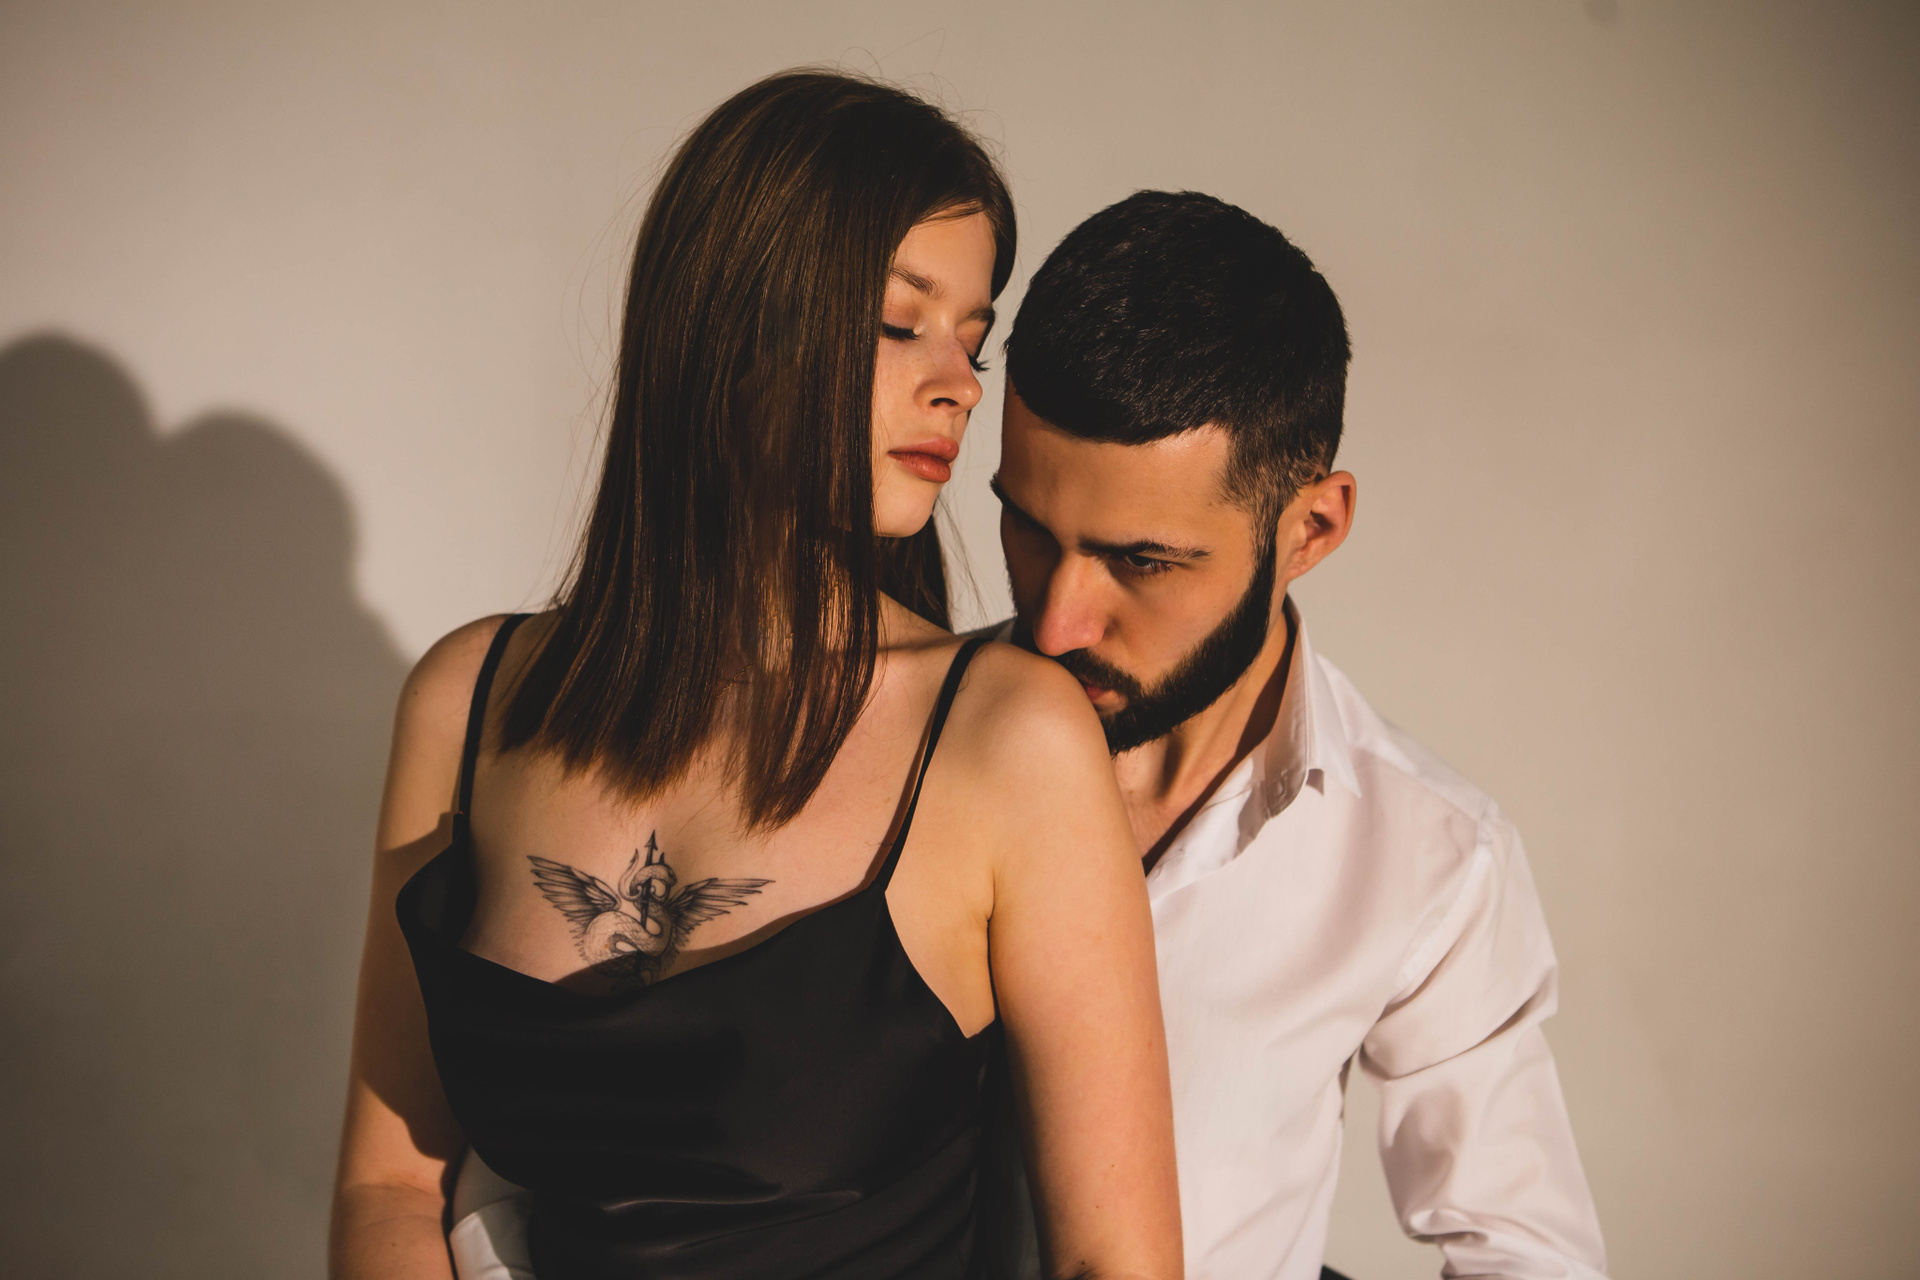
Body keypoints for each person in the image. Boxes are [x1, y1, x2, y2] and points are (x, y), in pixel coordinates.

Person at [328, 72, 1181, 1280]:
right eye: (901, 324)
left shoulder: (1009, 736)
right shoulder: (469, 701)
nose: (960, 381)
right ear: (734, 330)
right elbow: (387, 1183)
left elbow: (1119, 1262)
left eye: (973, 335)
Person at [975, 191, 1608, 1280]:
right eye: (1029, 528)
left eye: (1142, 559)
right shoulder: (887, 745)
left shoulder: (1424, 854)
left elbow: (1528, 1253)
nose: (1058, 620)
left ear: (1310, 529)